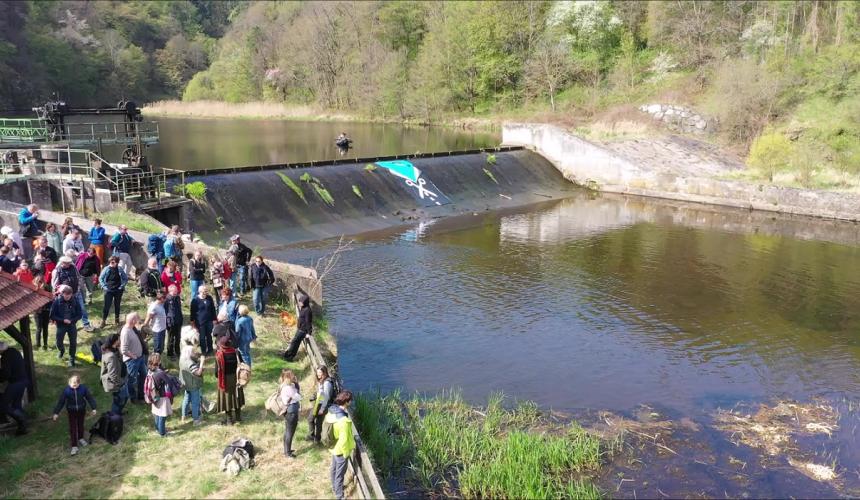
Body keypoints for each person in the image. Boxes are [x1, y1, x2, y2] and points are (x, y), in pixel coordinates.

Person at [52, 374, 98, 456]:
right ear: (69, 383)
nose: (74, 385)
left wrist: (94, 408)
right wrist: (56, 413)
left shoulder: (83, 389)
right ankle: (74, 446)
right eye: (73, 383)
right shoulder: (66, 391)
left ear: (79, 383)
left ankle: (81, 438)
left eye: (76, 383)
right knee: (73, 428)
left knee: (80, 425)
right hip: (71, 411)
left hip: (81, 410)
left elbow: (89, 398)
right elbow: (61, 402)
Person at [326, 391, 356, 500]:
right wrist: (346, 453)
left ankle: (335, 487)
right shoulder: (343, 421)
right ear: (347, 402)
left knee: (334, 469)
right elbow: (343, 441)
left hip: (334, 446)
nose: (351, 402)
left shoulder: (331, 412)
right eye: (350, 400)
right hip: (340, 450)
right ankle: (339, 495)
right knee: (340, 473)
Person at [52, 255, 93, 332]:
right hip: (66, 295)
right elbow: (54, 284)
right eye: (67, 263)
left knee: (82, 308)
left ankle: (86, 324)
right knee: (68, 311)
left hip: (76, 292)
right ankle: (69, 325)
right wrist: (60, 290)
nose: (69, 264)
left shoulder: (73, 267)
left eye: (69, 263)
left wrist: (79, 286)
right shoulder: (57, 270)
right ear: (62, 263)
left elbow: (78, 277)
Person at [50, 284, 83, 367]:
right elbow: (52, 315)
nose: (67, 297)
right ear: (62, 294)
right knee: (58, 342)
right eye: (66, 295)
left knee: (73, 342)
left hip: (72, 324)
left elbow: (79, 314)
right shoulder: (57, 302)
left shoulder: (75, 301)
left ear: (71, 294)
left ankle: (72, 358)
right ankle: (61, 350)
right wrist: (63, 320)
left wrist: (72, 320)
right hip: (61, 325)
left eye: (69, 295)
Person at [0, 341, 29, 435]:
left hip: (15, 383)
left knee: (3, 405)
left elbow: (6, 374)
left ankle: (22, 420)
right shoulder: (14, 351)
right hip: (23, 381)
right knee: (16, 405)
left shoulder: (5, 357)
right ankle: (23, 428)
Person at [214, 336, 244, 425]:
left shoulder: (219, 355)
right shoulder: (236, 352)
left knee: (227, 399)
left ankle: (229, 420)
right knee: (236, 396)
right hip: (237, 378)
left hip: (225, 380)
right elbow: (242, 364)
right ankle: (238, 417)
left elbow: (216, 373)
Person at [100, 333, 128, 415]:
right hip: (116, 383)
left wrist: (119, 348)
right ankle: (114, 416)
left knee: (124, 397)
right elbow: (112, 374)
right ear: (115, 341)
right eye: (119, 339)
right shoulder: (111, 356)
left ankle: (118, 412)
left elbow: (120, 360)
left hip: (120, 378)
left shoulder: (113, 349)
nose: (120, 340)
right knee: (119, 399)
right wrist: (120, 383)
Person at [121, 312, 145, 403]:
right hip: (132, 361)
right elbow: (124, 350)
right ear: (133, 320)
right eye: (137, 319)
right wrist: (133, 356)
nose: (138, 320)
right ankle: (133, 398)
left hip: (139, 358)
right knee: (131, 380)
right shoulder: (126, 332)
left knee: (143, 375)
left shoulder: (131, 328)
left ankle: (141, 396)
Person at [147, 353, 173, 437]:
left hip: (154, 396)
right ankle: (162, 433)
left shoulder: (150, 371)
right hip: (162, 396)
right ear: (158, 362)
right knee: (162, 415)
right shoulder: (160, 373)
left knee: (157, 413)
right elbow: (169, 382)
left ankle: (158, 429)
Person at [307, 366, 334, 444]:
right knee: (315, 421)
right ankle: (315, 438)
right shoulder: (322, 381)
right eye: (317, 372)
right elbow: (321, 393)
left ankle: (314, 437)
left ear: (324, 373)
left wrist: (322, 409)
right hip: (319, 403)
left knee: (313, 420)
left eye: (320, 372)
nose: (318, 374)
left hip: (322, 405)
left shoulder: (327, 383)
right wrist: (315, 395)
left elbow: (326, 397)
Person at [98, 255, 128, 328]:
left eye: (113, 262)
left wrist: (121, 286)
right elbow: (101, 278)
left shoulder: (120, 269)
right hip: (108, 290)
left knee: (117, 305)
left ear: (117, 263)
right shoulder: (106, 269)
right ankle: (103, 321)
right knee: (107, 306)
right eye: (110, 262)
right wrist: (104, 287)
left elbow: (125, 278)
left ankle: (117, 320)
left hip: (118, 290)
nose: (111, 263)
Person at [179, 343, 205, 425]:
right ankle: (196, 420)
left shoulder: (182, 360)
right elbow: (198, 373)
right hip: (193, 385)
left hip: (186, 384)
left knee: (186, 400)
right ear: (188, 353)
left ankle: (183, 416)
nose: (194, 353)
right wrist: (201, 363)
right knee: (195, 402)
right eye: (193, 352)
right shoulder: (190, 363)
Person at [279, 369, 301, 458]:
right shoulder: (288, 388)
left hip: (288, 411)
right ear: (288, 377)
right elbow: (299, 397)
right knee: (290, 432)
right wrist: (297, 385)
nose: (294, 376)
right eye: (292, 375)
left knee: (287, 431)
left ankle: (286, 450)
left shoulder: (284, 386)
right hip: (292, 411)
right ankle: (288, 453)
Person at [283, 292, 312, 361]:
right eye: (300, 302)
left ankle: (289, 356)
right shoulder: (303, 308)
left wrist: (309, 333)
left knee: (294, 342)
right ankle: (289, 356)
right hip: (300, 329)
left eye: (301, 302)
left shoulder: (307, 311)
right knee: (295, 342)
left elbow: (308, 322)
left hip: (303, 330)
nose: (300, 303)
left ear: (305, 302)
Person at [190, 285, 216, 355]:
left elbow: (213, 309)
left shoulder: (209, 298)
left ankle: (210, 349)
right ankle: (203, 351)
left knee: (209, 336)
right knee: (202, 337)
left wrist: (214, 319)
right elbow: (192, 312)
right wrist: (192, 322)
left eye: (206, 291)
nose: (206, 292)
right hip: (200, 322)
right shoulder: (195, 300)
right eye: (204, 291)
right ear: (200, 291)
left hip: (209, 321)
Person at [32, 275, 52, 350]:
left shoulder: (47, 288)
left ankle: (45, 344)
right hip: (38, 312)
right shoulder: (33, 289)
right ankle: (38, 345)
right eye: (39, 281)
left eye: (42, 281)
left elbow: (50, 299)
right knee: (39, 328)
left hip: (46, 311)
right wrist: (39, 289)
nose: (41, 283)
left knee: (45, 328)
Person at [164, 284, 183, 359]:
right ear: (171, 291)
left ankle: (178, 352)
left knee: (178, 338)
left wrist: (181, 319)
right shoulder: (167, 299)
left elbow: (179, 309)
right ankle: (170, 353)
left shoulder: (177, 298)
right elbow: (165, 312)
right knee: (171, 338)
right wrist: (168, 322)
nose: (177, 291)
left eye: (177, 290)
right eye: (175, 290)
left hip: (178, 320)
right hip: (171, 322)